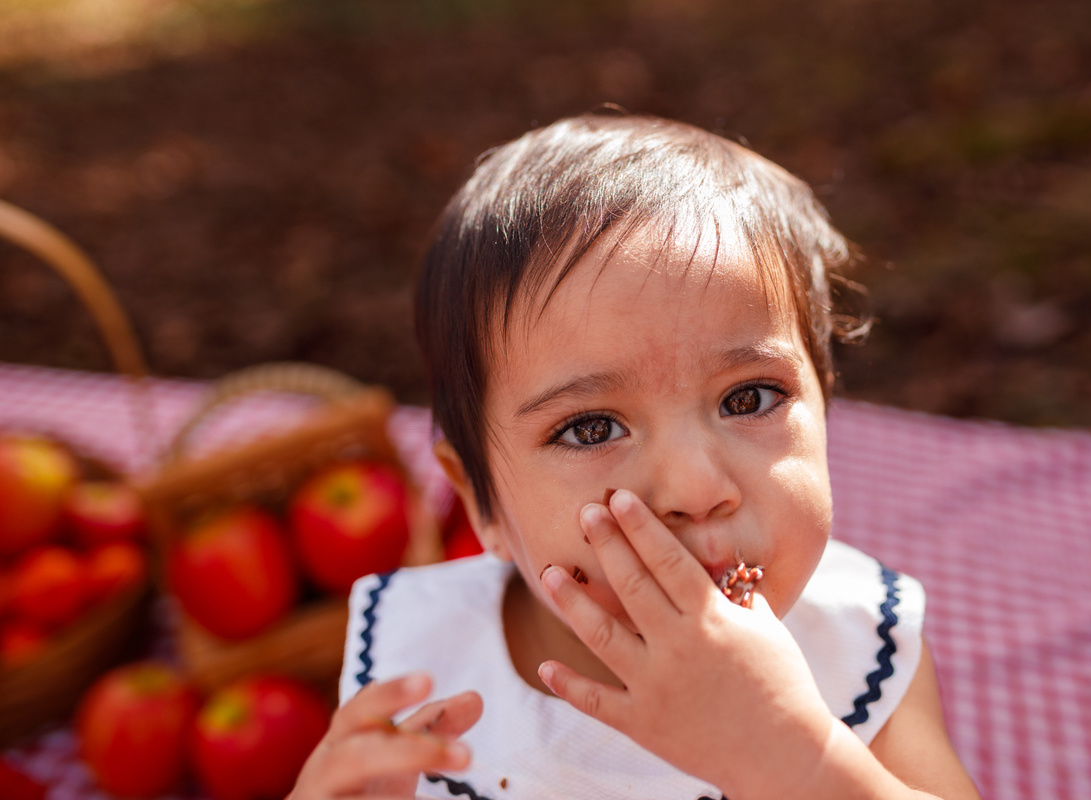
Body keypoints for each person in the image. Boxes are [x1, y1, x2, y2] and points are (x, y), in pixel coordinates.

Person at [289, 112, 981, 800]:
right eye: (591, 429)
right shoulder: (423, 668)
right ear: (482, 502)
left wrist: (798, 761)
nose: (696, 486)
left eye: (748, 399)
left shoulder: (856, 644)